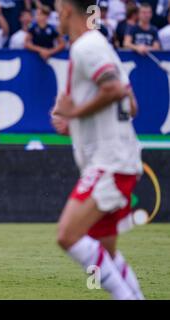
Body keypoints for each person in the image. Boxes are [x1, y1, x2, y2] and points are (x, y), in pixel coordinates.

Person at [52, 0, 145, 300]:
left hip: (110, 162)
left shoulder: (85, 47)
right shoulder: (101, 45)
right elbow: (131, 104)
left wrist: (74, 112)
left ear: (67, 9)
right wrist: (78, 119)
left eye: (57, 10)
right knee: (105, 249)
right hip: (119, 158)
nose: (56, 17)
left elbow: (115, 91)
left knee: (68, 235)